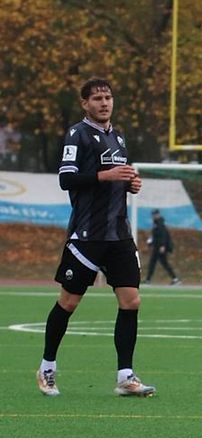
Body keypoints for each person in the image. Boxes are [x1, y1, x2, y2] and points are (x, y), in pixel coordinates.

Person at [36, 78, 156, 398]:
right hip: (87, 235)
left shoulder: (118, 136)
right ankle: (47, 367)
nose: (104, 103)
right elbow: (66, 179)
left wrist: (130, 184)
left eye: (108, 97)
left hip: (118, 234)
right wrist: (106, 176)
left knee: (131, 301)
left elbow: (118, 179)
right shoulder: (78, 134)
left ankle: (126, 376)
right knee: (69, 302)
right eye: (97, 98)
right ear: (85, 104)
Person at [144, 209, 181, 285]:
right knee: (156, 263)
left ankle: (175, 279)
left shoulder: (160, 224)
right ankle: (148, 279)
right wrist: (151, 242)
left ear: (158, 215)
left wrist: (162, 245)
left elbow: (163, 235)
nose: (153, 216)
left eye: (155, 214)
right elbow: (156, 236)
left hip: (159, 247)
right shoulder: (156, 224)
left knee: (160, 263)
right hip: (157, 246)